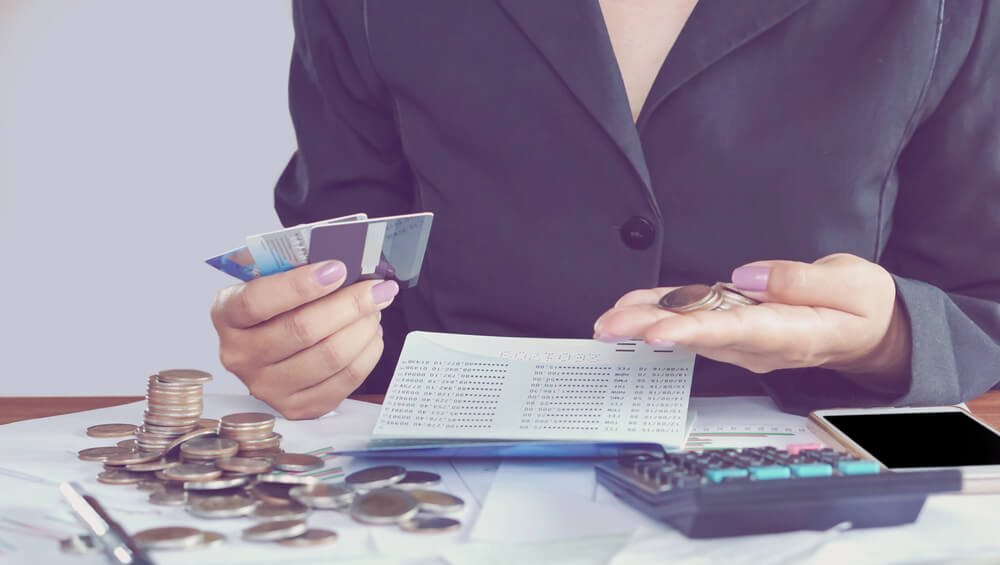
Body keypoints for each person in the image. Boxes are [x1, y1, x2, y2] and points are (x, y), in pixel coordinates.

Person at [211, 0, 1000, 420]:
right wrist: (298, 344)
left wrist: (891, 338)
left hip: (806, 508)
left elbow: (981, 305)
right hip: (450, 505)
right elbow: (349, 268)